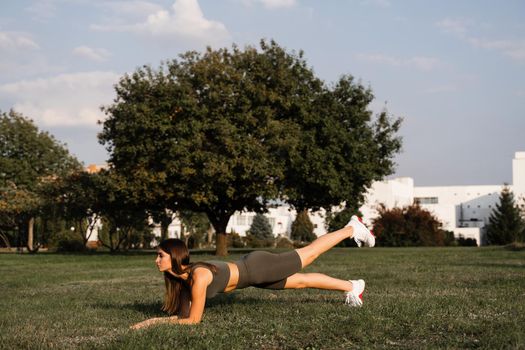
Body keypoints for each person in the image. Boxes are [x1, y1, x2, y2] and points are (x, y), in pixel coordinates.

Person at [131, 215, 375, 329]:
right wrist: (153, 321)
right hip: (253, 277)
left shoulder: (198, 277)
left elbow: (194, 321)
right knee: (300, 282)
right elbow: (184, 317)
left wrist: (152, 322)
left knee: (310, 253)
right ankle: (352, 287)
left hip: (257, 267)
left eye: (160, 255)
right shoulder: (183, 281)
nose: (156, 260)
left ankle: (351, 229)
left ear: (173, 256)